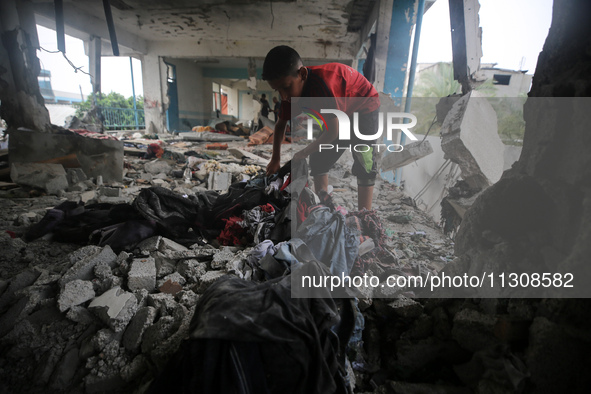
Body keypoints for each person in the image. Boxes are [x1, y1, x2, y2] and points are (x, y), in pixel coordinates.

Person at [262, 45, 380, 210]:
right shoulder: (290, 95)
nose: (283, 95)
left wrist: (302, 153)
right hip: (341, 112)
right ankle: (323, 209)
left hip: (364, 104)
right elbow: (280, 125)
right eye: (277, 90)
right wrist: (275, 159)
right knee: (318, 159)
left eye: (286, 87)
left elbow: (333, 131)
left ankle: (365, 215)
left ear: (302, 74)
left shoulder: (322, 87)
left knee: (364, 160)